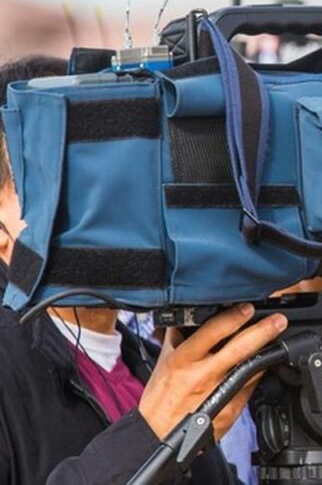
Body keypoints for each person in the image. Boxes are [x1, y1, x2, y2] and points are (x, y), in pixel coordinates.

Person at [0, 55, 288, 484]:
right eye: (66, 177)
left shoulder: (161, 366)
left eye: (122, 168)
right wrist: (151, 434)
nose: (104, 200)